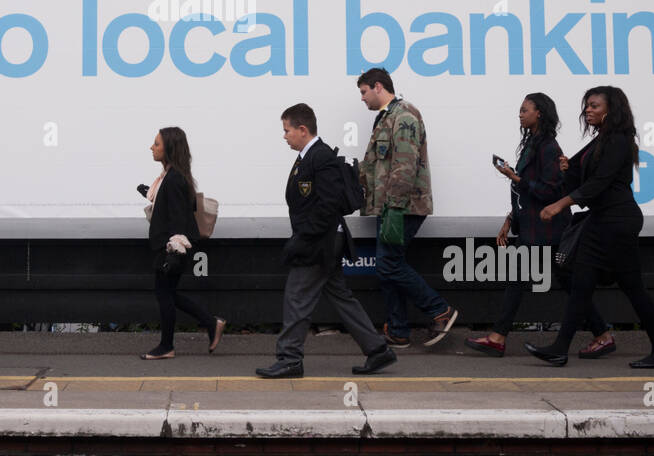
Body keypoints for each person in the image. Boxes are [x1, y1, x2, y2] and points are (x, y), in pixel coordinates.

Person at [525, 86, 654, 369]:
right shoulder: (598, 143)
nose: (588, 110)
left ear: (611, 109)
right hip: (604, 220)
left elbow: (598, 185)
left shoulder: (619, 139)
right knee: (585, 285)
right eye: (586, 106)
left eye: (594, 105)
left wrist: (558, 205)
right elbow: (581, 184)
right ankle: (560, 348)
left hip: (617, 221)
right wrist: (569, 171)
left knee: (628, 288)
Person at [464, 93, 613, 357]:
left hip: (548, 229)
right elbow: (526, 193)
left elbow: (550, 191)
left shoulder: (548, 147)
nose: (520, 114)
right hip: (536, 228)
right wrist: (510, 219)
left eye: (525, 110)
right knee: (562, 282)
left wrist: (515, 177)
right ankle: (602, 334)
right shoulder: (533, 143)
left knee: (524, 278)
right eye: (520, 110)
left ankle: (498, 337)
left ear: (539, 113)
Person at [256, 104, 396, 378]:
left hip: (318, 242)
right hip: (322, 239)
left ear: (302, 129)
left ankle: (290, 358)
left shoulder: (319, 157)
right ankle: (377, 350)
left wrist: (303, 237)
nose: (284, 136)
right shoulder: (309, 157)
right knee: (341, 297)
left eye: (287, 130)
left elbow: (328, 205)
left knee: (297, 297)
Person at [357, 68, 457, 348]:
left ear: (378, 86)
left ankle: (440, 310)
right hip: (389, 206)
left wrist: (395, 206)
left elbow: (405, 163)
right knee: (389, 265)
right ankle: (398, 330)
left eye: (364, 92)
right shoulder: (387, 117)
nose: (362, 99)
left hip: (402, 206)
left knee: (388, 264)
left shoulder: (403, 115)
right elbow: (378, 165)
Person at [138, 127, 224, 360]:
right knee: (166, 293)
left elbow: (178, 218)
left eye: (156, 144)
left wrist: (173, 251)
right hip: (166, 246)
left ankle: (167, 346)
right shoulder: (170, 176)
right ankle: (210, 322)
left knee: (165, 294)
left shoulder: (174, 179)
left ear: (169, 148)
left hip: (171, 248)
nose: (151, 147)